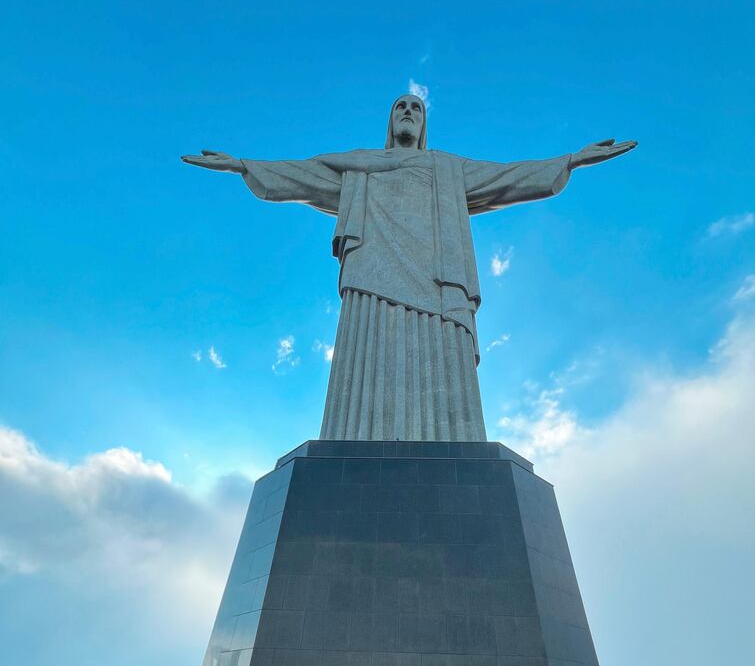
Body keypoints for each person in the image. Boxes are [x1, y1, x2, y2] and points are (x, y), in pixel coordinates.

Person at [182, 94, 636, 441]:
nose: (407, 112)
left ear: (423, 124)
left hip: (439, 283)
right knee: (364, 369)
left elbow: (507, 177)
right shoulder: (359, 167)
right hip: (370, 281)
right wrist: (242, 166)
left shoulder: (447, 169)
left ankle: (450, 441)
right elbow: (300, 176)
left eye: (415, 108)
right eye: (400, 106)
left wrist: (571, 160)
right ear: (389, 121)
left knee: (446, 379)